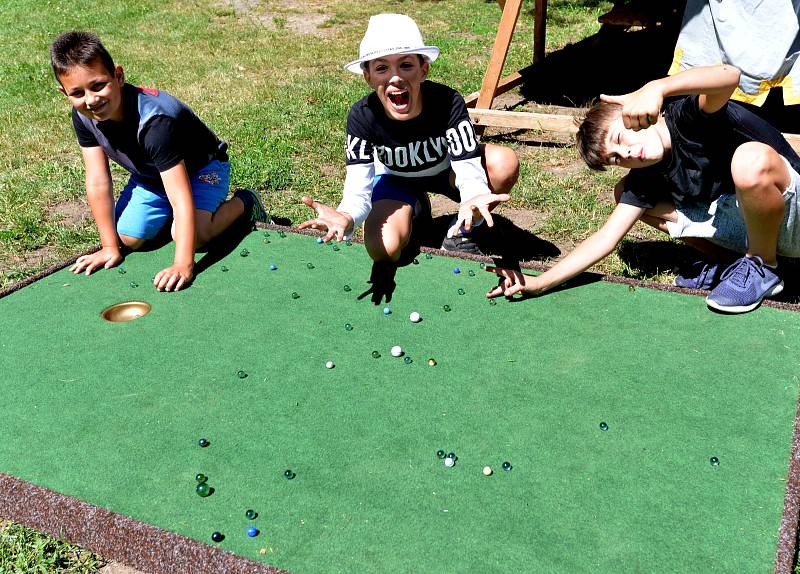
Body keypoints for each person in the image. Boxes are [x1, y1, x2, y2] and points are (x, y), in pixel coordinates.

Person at [487, 64, 800, 314]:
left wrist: (657, 87)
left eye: (622, 140)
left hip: (792, 214)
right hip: (752, 222)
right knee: (624, 193)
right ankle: (733, 265)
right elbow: (605, 239)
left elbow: (729, 74)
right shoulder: (647, 172)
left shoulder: (689, 117)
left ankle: (762, 266)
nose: (627, 155)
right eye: (616, 158)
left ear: (634, 114)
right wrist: (539, 282)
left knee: (748, 158)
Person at [50, 31, 267, 292]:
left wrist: (183, 264)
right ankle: (175, 222)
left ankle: (245, 203)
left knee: (194, 237)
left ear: (118, 76)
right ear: (65, 93)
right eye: (78, 93)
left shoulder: (155, 123)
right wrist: (109, 247)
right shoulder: (83, 115)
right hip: (152, 176)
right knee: (129, 237)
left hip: (202, 170)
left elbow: (180, 195)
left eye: (98, 85)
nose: (91, 99)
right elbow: (97, 180)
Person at [298, 13, 519, 263]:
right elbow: (358, 186)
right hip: (395, 179)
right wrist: (347, 216)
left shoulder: (447, 102)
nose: (395, 77)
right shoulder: (363, 116)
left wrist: (474, 195)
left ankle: (462, 232)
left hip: (446, 174)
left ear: (423, 70)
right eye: (382, 68)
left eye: (406, 65)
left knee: (503, 162)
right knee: (384, 251)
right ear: (368, 77)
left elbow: (467, 164)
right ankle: (416, 211)